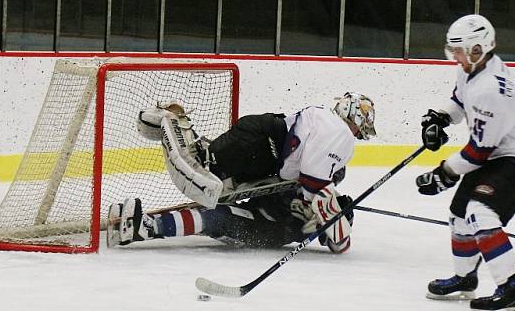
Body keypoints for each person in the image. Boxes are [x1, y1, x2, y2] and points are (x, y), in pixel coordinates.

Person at [107, 92, 377, 254]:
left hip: (261, 141)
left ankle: (144, 225)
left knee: (213, 189)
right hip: (261, 148)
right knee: (211, 189)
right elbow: (317, 188)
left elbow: (336, 238)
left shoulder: (319, 119)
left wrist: (323, 211)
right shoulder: (337, 136)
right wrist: (323, 206)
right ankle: (173, 125)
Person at [415, 14, 515, 311]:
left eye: (460, 51)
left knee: (480, 212)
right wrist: (440, 117)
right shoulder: (472, 68)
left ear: (477, 49)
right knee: (459, 213)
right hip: (497, 154)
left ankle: (510, 288)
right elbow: (459, 101)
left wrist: (444, 173)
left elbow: (477, 151)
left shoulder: (493, 89)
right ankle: (465, 278)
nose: (455, 57)